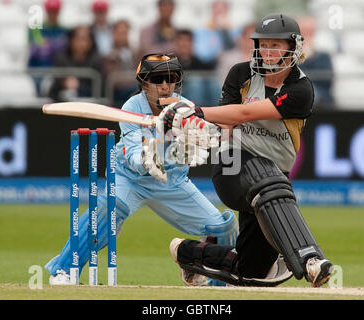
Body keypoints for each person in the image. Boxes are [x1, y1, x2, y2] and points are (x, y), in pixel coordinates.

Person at [160, 14, 334, 287]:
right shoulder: (240, 74)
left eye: (276, 45)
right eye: (263, 44)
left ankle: (188, 254)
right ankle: (310, 258)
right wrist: (201, 127)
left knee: (253, 271)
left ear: (294, 47)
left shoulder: (301, 89)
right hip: (231, 166)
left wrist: (197, 111)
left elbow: (244, 112)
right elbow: (227, 123)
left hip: (272, 180)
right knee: (261, 172)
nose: (267, 51)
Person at [45, 53, 238, 286]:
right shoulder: (132, 107)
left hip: (171, 182)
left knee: (222, 226)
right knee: (109, 210)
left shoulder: (185, 107)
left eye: (171, 78)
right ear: (144, 83)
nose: (165, 86)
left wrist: (208, 137)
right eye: (157, 79)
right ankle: (64, 270)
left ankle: (213, 277)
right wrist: (148, 158)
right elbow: (133, 152)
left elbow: (207, 135)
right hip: (130, 178)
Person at [48, 25, 103, 102]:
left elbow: (100, 89)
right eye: (79, 39)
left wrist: (79, 86)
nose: (82, 43)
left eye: (85, 39)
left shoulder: (97, 61)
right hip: (61, 103)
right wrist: (64, 83)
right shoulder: (61, 58)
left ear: (91, 42)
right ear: (71, 40)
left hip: (89, 104)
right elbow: (53, 87)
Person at [173, 29, 219, 105]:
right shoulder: (169, 63)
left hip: (202, 95)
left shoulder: (200, 63)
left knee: (213, 83)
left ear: (192, 43)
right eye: (181, 40)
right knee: (196, 83)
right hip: (179, 96)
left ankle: (220, 112)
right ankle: (195, 114)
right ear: (176, 43)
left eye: (187, 41)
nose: (184, 44)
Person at [297, 16, 334, 109]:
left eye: (309, 32)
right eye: (303, 32)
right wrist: (303, 56)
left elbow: (327, 80)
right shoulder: (289, 58)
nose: (306, 36)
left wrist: (310, 55)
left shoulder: (324, 56)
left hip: (321, 99)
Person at [103, 19, 139, 106]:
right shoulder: (109, 55)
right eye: (120, 33)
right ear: (113, 34)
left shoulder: (135, 52)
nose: (123, 37)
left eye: (125, 33)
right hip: (118, 93)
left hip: (134, 89)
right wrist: (133, 79)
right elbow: (114, 79)